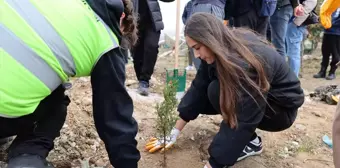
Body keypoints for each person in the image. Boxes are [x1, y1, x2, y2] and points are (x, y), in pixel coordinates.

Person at [145, 13, 304, 168]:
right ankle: (250, 139)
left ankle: (251, 143)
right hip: (261, 99)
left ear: (209, 39)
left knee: (222, 94)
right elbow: (199, 87)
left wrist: (213, 164)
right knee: (213, 89)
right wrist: (174, 131)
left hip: (280, 111)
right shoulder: (219, 48)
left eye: (197, 48)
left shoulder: (246, 63)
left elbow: (243, 118)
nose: (196, 55)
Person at [0, 0, 140, 168]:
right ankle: (27, 156)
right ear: (122, 21)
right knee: (56, 103)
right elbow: (114, 118)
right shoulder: (105, 37)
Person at [131, 0, 175, 96]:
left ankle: (144, 80)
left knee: (151, 47)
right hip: (134, 24)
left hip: (152, 22)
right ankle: (140, 79)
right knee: (137, 54)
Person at [183, 0, 226, 70]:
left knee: (211, 60)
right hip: (208, 7)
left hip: (208, 7)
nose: (196, 55)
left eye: (197, 48)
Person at [286, 0, 318, 77]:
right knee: (290, 52)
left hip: (296, 23)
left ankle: (292, 80)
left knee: (293, 53)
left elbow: (311, 2)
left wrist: (295, 22)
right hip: (291, 21)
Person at [313, 8, 340, 80]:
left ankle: (332, 72)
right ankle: (322, 71)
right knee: (325, 52)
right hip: (327, 32)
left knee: (336, 54)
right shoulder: (330, 5)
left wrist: (328, 23)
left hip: (337, 34)